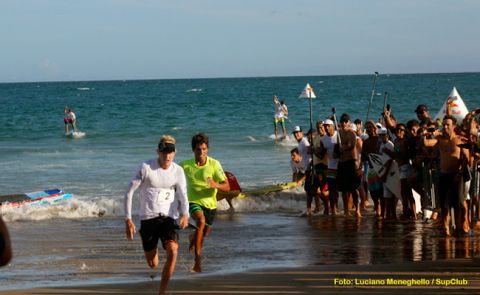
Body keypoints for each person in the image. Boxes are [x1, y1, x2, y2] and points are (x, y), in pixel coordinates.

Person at [124, 135, 189, 295]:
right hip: (149, 219)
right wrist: (128, 219)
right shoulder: (146, 168)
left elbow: (183, 195)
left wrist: (185, 214)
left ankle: (162, 292)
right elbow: (129, 192)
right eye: (164, 152)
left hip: (169, 218)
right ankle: (155, 251)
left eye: (170, 152)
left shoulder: (178, 171)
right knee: (152, 264)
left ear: (175, 153)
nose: (167, 156)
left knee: (173, 251)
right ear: (158, 151)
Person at [180, 133, 230, 272]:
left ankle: (193, 236)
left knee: (204, 233)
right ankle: (197, 262)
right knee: (200, 222)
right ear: (193, 150)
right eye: (198, 149)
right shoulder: (185, 165)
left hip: (211, 205)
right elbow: (170, 173)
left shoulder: (214, 164)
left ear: (207, 149)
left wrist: (216, 185)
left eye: (204, 149)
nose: (201, 152)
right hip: (193, 201)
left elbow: (227, 186)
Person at [423, 115, 470, 236]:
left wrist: (461, 170)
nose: (444, 126)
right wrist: (427, 133)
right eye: (443, 124)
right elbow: (427, 143)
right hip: (444, 175)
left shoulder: (460, 140)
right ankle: (446, 228)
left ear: (453, 126)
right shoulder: (439, 139)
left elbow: (467, 159)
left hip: (456, 176)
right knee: (444, 205)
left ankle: (461, 225)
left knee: (459, 204)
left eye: (447, 124)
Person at [292, 126, 317, 216]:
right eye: (295, 133)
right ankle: (315, 208)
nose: (296, 134)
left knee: (310, 191)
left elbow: (311, 153)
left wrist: (302, 179)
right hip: (307, 169)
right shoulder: (300, 143)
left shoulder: (304, 141)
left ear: (302, 133)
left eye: (298, 132)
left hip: (310, 168)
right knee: (312, 191)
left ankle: (309, 210)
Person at [320, 119, 339, 215]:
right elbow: (322, 155)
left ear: (333, 126)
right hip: (331, 166)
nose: (326, 128)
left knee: (345, 190)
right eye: (325, 126)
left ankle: (348, 209)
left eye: (328, 126)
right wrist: (314, 150)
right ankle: (333, 210)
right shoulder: (323, 140)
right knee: (331, 190)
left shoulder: (339, 135)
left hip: (341, 166)